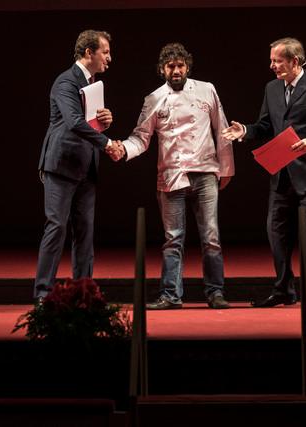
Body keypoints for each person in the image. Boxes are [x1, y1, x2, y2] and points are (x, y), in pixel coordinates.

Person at [222, 37, 306, 309]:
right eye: (272, 60)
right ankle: (284, 290)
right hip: (281, 177)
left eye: (277, 61)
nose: (272, 66)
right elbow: (266, 126)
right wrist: (246, 131)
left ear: (295, 61)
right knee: (276, 235)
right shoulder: (272, 88)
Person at [110, 43, 235, 310]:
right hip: (171, 176)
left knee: (211, 237)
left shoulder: (207, 89)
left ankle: (215, 293)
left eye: (180, 65)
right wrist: (123, 149)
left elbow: (222, 129)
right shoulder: (154, 98)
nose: (176, 70)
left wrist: (226, 169)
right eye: (170, 66)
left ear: (187, 67)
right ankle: (170, 295)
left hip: (205, 171)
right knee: (173, 239)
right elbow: (141, 138)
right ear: (162, 69)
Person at [35, 30, 121, 300]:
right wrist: (108, 143)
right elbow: (73, 122)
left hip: (86, 167)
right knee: (57, 227)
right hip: (62, 165)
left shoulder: (92, 84)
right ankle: (43, 294)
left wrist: (104, 121)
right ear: (88, 52)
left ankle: (84, 293)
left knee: (85, 233)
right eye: (105, 52)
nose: (109, 58)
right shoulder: (66, 81)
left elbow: (88, 124)